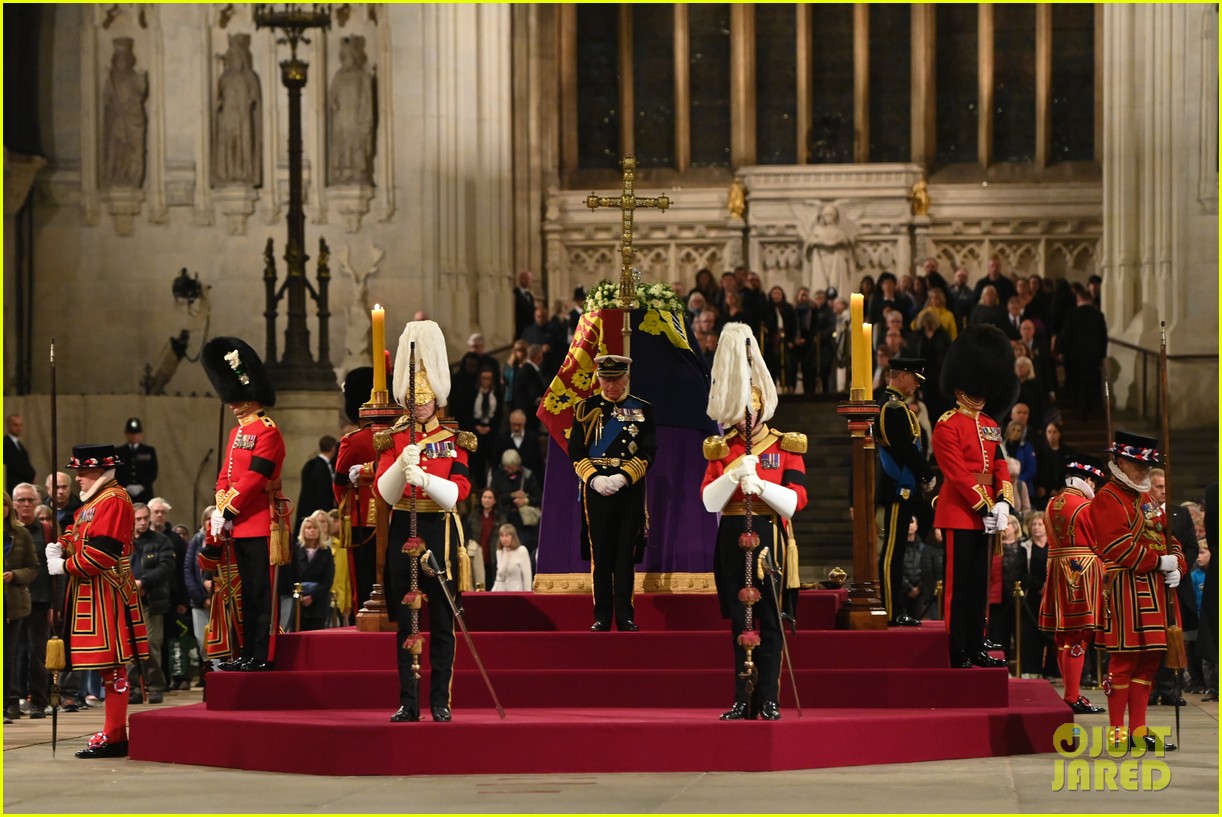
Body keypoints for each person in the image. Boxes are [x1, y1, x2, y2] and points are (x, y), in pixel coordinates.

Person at [701, 323, 808, 720]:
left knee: (768, 621)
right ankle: (741, 698)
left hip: (769, 538)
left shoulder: (785, 445)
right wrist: (731, 475)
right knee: (737, 624)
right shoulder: (721, 448)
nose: (747, 418)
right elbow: (709, 500)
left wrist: (759, 484)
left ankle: (768, 697)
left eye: (752, 409)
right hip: (730, 535)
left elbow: (795, 503)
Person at [375, 319, 476, 723]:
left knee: (443, 622)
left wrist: (427, 479)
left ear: (436, 399)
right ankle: (408, 701)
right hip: (404, 527)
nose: (419, 405)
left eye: (426, 399)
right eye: (414, 400)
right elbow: (383, 493)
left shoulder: (455, 440)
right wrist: (402, 465)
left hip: (440, 530)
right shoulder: (395, 439)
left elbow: (459, 493)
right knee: (407, 623)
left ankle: (440, 700)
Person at [44, 444, 149, 758]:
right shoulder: (93, 502)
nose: (78, 478)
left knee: (113, 666)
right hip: (90, 592)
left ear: (101, 472)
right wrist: (59, 546)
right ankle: (112, 731)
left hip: (107, 590)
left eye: (83, 472)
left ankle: (115, 734)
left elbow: (103, 552)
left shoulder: (114, 501)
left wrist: (66, 565)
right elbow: (77, 533)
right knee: (106, 667)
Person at [1089, 431, 1187, 752]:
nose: (1144, 471)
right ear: (1119, 461)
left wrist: (1177, 565)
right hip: (1126, 589)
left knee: (1148, 663)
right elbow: (1117, 547)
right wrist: (1160, 561)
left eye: (1147, 465)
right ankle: (1117, 734)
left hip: (1156, 589)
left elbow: (1168, 536)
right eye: (1138, 464)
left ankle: (1138, 730)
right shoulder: (1107, 496)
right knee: (1124, 662)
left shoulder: (1146, 497)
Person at [198, 337, 287, 673]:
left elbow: (254, 478)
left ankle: (262, 653)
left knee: (260, 595)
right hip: (239, 522)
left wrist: (227, 509)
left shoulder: (268, 432)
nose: (233, 405)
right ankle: (247, 651)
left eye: (238, 399)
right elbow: (226, 474)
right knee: (245, 593)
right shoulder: (237, 434)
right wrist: (221, 504)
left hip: (261, 521)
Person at [932, 324, 1017, 669]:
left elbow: (999, 464)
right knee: (958, 588)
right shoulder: (947, 424)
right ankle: (957, 647)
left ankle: (977, 643)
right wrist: (985, 504)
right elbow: (957, 474)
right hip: (959, 512)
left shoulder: (988, 423)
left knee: (980, 588)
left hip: (986, 514)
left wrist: (1003, 502)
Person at [569, 355, 655, 632]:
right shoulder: (585, 408)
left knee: (624, 554)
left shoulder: (642, 409)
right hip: (596, 489)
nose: (611, 385)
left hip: (627, 488)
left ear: (626, 378)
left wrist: (623, 476)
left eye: (617, 379)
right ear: (598, 379)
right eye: (606, 379)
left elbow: (648, 451)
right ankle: (602, 615)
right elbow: (576, 450)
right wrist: (593, 479)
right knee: (601, 553)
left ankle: (626, 615)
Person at [1038, 459, 1108, 714]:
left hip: (1056, 569)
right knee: (1079, 635)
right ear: (1088, 481)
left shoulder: (1050, 504)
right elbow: (1098, 542)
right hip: (1082, 571)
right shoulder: (1086, 506)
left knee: (1062, 635)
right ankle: (1072, 695)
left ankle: (1071, 693)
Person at [875, 358, 937, 626]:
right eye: (915, 379)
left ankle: (897, 608)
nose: (917, 385)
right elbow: (905, 449)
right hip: (896, 487)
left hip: (905, 488)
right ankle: (891, 609)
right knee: (893, 552)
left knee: (898, 551)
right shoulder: (892, 407)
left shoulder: (899, 407)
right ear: (901, 376)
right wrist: (927, 473)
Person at [332, 365, 389, 616]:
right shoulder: (397, 436)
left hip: (361, 517)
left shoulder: (353, 441)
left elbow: (339, 482)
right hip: (393, 517)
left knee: (363, 584)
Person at [10, 483, 52, 719]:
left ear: (37, 503)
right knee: (14, 653)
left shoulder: (46, 531)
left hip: (40, 600)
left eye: (30, 500)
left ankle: (38, 701)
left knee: (38, 654)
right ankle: (12, 702)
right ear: (13, 504)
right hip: (14, 601)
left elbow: (56, 571)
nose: (26, 504)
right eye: (21, 500)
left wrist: (56, 604)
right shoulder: (8, 531)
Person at [126, 502, 175, 704]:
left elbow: (166, 567)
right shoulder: (124, 541)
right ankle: (134, 688)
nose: (143, 522)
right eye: (138, 519)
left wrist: (143, 582)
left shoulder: (161, 541)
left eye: (146, 518)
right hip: (127, 600)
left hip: (151, 600)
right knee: (129, 648)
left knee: (151, 644)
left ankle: (155, 686)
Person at [4, 491, 38, 723]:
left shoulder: (21, 534)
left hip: (13, 604)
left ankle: (10, 704)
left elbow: (33, 568)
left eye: (3, 505)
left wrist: (14, 575)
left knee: (8, 656)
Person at [464, 488, 505, 590]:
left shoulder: (500, 518)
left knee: (491, 585)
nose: (487, 500)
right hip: (476, 556)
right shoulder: (473, 516)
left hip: (493, 557)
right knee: (478, 585)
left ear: (494, 501)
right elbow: (467, 537)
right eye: (485, 497)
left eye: (490, 497)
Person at [295, 435, 337, 533]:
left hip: (306, 509)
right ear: (333, 448)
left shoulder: (310, 464)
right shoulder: (322, 468)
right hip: (319, 511)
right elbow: (324, 493)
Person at [491, 524, 533, 592]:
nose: (504, 539)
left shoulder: (521, 551)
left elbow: (527, 576)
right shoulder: (499, 551)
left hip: (516, 593)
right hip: (500, 592)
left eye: (507, 536)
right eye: (502, 536)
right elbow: (499, 577)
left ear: (513, 537)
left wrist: (527, 594)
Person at [5, 414, 36, 495]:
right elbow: (16, 465)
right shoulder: (5, 443)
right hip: (13, 487)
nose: (19, 428)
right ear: (8, 426)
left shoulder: (18, 444)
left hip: (23, 485)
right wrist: (29, 475)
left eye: (20, 425)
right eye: (15, 425)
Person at [513, 270, 537, 340]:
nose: (528, 281)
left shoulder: (530, 295)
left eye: (529, 279)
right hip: (520, 328)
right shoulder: (515, 293)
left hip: (530, 328)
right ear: (520, 279)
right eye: (526, 278)